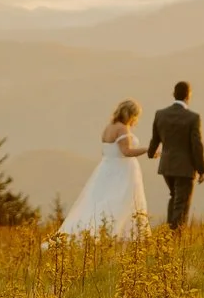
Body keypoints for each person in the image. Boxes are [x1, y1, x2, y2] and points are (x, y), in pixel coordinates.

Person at [55, 98, 150, 238]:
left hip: (107, 169)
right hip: (121, 171)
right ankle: (115, 234)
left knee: (101, 200)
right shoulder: (122, 128)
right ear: (131, 115)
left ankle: (97, 231)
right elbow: (126, 151)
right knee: (120, 202)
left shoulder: (109, 127)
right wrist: (147, 150)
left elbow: (107, 150)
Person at [147, 80, 204, 230]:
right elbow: (196, 145)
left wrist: (151, 153)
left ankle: (168, 233)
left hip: (166, 166)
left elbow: (155, 139)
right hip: (185, 168)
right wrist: (202, 170)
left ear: (173, 94)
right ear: (188, 96)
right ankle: (176, 235)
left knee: (175, 197)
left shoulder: (160, 114)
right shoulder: (193, 117)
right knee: (182, 202)